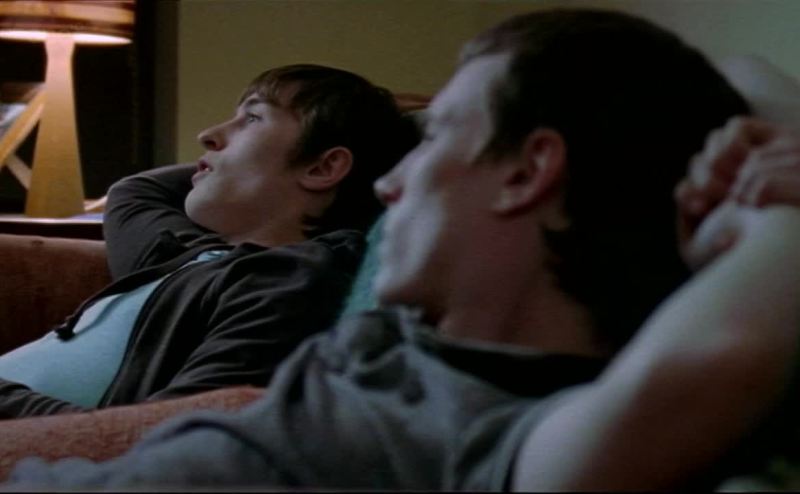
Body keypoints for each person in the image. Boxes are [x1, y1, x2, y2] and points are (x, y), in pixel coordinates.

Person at [6, 8, 800, 491]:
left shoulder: (484, 431)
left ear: (528, 172)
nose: (390, 186)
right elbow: (746, 75)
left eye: (440, 135)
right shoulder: (393, 343)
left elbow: (715, 357)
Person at [0, 64, 415, 418]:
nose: (208, 135)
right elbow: (136, 192)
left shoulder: (288, 282)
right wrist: (234, 167)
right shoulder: (186, 253)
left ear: (324, 167)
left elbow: (167, 439)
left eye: (252, 118)